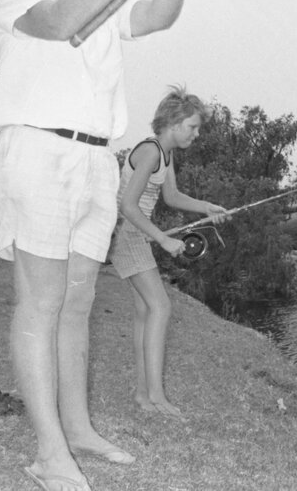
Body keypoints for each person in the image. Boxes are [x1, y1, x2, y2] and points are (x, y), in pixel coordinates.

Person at [0, 0, 203, 491]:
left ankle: (78, 429)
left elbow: (155, 18)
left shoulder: (105, 1)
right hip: (38, 153)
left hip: (94, 160)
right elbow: (57, 22)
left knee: (79, 302)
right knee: (42, 302)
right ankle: (49, 453)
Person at [109, 87, 229, 417]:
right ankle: (157, 399)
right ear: (174, 123)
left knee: (146, 313)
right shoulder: (149, 151)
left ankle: (143, 397)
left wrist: (207, 207)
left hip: (136, 233)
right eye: (192, 126)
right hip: (129, 233)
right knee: (160, 306)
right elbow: (128, 206)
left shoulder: (165, 153)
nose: (196, 133)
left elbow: (172, 197)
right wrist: (163, 239)